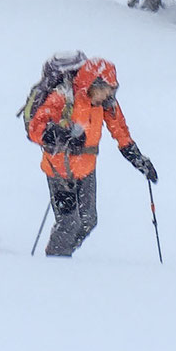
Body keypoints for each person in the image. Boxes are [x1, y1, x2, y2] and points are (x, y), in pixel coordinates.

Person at [28, 57, 156, 258]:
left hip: (86, 170)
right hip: (60, 171)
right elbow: (35, 128)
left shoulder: (106, 104)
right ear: (93, 84)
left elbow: (120, 130)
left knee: (88, 221)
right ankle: (54, 263)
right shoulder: (63, 96)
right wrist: (63, 135)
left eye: (112, 91)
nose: (108, 96)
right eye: (106, 91)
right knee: (69, 223)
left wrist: (138, 160)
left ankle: (62, 255)